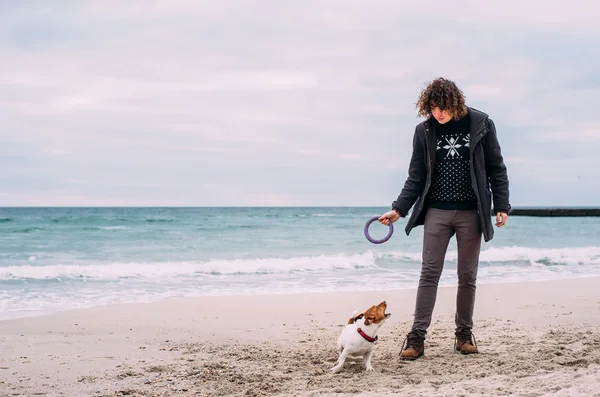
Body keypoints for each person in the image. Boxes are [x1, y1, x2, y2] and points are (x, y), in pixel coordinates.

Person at [378, 77, 510, 360]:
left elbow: (496, 167)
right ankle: (416, 337)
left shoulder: (481, 123)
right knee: (429, 274)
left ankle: (463, 334)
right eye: (433, 107)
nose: (438, 113)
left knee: (467, 275)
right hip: (436, 211)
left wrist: (502, 204)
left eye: (443, 107)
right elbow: (416, 176)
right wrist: (398, 209)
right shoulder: (424, 131)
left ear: (456, 103)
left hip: (471, 212)